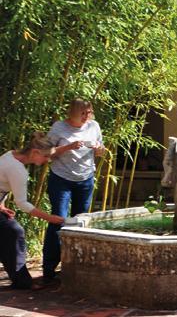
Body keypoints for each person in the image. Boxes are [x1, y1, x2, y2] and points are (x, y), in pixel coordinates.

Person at [44, 98, 106, 283]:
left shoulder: (93, 126)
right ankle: (49, 268)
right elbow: (47, 152)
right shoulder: (58, 127)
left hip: (85, 179)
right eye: (83, 113)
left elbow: (101, 150)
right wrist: (69, 147)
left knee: (80, 222)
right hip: (61, 179)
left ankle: (75, 267)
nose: (87, 116)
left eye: (89, 112)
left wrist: (99, 150)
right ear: (73, 113)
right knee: (59, 220)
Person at [0, 133, 65, 290]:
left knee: (8, 232)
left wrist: (1, 205)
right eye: (46, 157)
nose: (47, 161)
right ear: (35, 152)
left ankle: (21, 281)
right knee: (14, 232)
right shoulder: (18, 169)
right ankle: (22, 282)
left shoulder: (10, 155)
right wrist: (49, 218)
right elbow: (22, 203)